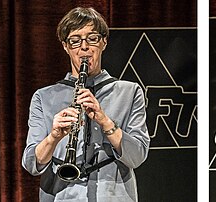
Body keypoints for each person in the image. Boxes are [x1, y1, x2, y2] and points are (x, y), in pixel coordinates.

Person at [20, 7, 150, 201]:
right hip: (62, 196)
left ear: (104, 42)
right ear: (65, 46)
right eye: (75, 41)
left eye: (92, 38)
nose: (84, 47)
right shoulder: (43, 97)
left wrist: (104, 121)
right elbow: (32, 164)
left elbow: (137, 156)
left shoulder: (129, 92)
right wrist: (54, 137)